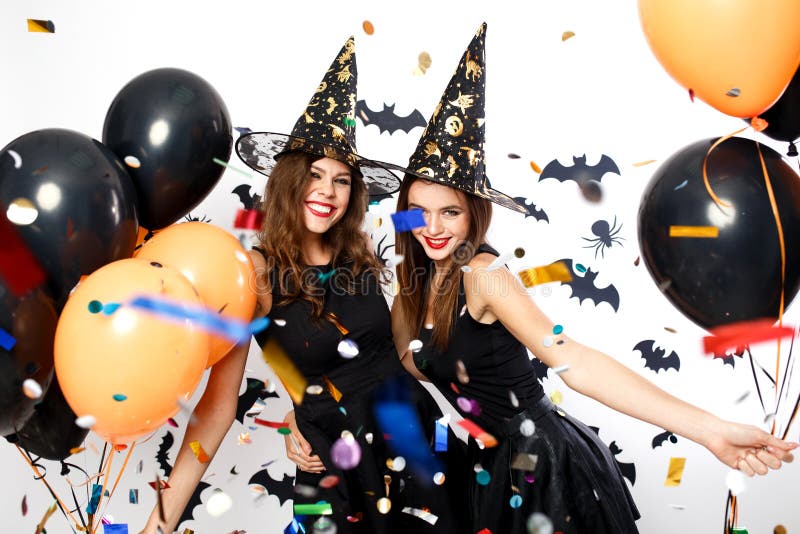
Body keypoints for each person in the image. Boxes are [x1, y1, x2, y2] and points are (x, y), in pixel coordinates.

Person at [388, 24, 798, 533]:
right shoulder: (412, 286)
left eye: (449, 212)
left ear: (474, 215)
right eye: (418, 212)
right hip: (487, 466)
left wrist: (710, 431)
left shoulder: (485, 277)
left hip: (540, 468)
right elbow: (400, 366)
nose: (432, 228)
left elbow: (573, 359)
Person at [141, 37, 463, 534]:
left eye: (341, 180)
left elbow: (379, 356)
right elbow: (217, 407)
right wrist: (158, 526)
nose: (327, 192)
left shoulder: (360, 252)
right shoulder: (254, 272)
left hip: (412, 442)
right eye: (315, 175)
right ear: (290, 180)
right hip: (335, 463)